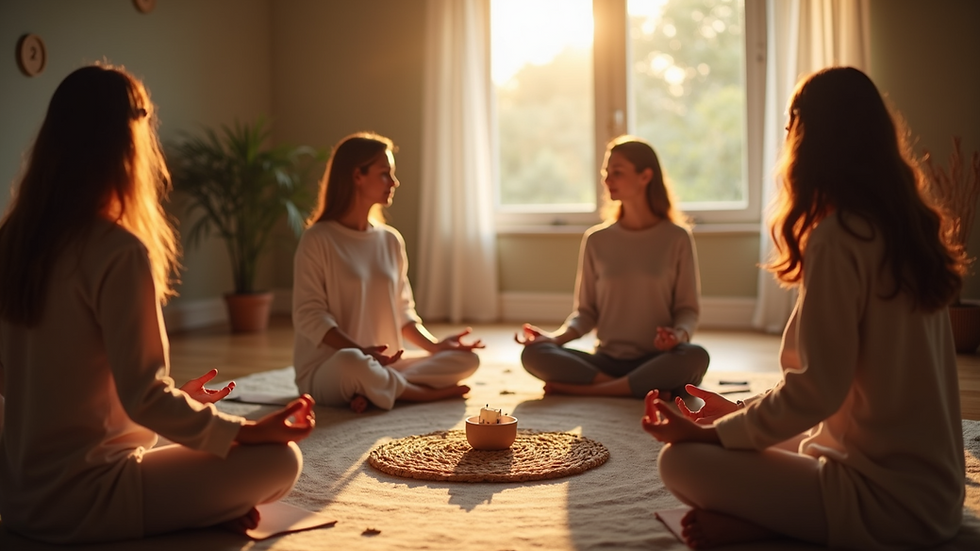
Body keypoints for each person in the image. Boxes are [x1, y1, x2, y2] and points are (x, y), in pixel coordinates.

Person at [642, 66, 966, 550]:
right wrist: (735, 415)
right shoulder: (906, 230)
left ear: (807, 136)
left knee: (679, 460)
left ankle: (773, 526)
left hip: (887, 506)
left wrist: (712, 438)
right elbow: (839, 395)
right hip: (937, 496)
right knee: (726, 431)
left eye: (791, 125)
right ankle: (774, 514)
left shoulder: (841, 238)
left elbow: (818, 391)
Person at [0, 64, 316, 544]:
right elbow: (144, 397)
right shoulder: (117, 251)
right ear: (128, 141)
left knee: (196, 443)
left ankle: (194, 506)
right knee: (279, 460)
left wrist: (183, 402)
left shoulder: (12, 241)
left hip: (19, 498)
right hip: (87, 502)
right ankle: (192, 510)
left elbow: (38, 387)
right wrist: (243, 432)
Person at [292, 132, 482, 413]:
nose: (394, 183)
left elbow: (403, 312)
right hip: (332, 368)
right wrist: (360, 350)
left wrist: (436, 347)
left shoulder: (390, 240)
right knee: (352, 363)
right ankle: (417, 394)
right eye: (385, 174)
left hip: (385, 364)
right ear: (358, 176)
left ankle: (377, 389)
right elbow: (310, 316)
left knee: (467, 360)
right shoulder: (317, 239)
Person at [515, 135, 710, 399]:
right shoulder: (597, 239)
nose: (607, 180)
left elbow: (687, 310)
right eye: (606, 172)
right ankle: (636, 388)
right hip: (606, 360)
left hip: (657, 359)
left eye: (617, 172)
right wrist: (555, 339)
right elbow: (585, 313)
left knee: (695, 357)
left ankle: (595, 389)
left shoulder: (677, 237)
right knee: (534, 353)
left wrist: (678, 336)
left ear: (645, 176)